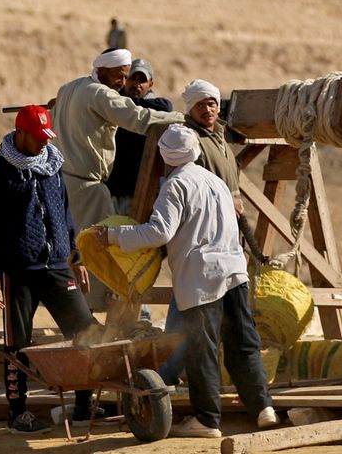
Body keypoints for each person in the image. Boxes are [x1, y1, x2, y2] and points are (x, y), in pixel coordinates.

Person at [98, 125, 276, 438]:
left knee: (201, 349)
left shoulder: (175, 185)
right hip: (234, 271)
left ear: (165, 157)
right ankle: (263, 408)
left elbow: (159, 232)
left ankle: (207, 421)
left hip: (202, 278)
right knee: (243, 344)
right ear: (195, 151)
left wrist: (113, 235)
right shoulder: (216, 182)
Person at [0, 104, 99, 434]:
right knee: (17, 343)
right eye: (37, 137)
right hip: (18, 270)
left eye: (47, 136)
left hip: (58, 265)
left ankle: (83, 404)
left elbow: (64, 213)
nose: (44, 143)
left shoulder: (52, 165)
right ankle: (18, 413)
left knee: (84, 331)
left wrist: (76, 256)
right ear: (20, 134)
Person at [50, 49, 182, 256]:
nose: (122, 82)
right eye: (119, 75)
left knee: (72, 251)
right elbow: (140, 119)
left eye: (125, 76)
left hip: (63, 184)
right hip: (87, 190)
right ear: (102, 70)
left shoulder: (68, 88)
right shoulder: (100, 94)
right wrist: (184, 119)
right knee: (97, 254)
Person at [157, 79, 245, 387]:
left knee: (203, 310)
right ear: (190, 108)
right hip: (201, 235)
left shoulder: (219, 135)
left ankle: (172, 373)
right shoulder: (188, 140)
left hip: (224, 233)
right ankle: (164, 376)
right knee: (189, 311)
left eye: (212, 103)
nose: (208, 109)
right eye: (201, 105)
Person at [107, 60, 174, 217]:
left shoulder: (155, 107)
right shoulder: (114, 102)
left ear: (150, 84)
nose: (136, 84)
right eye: (132, 79)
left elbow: (166, 107)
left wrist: (128, 104)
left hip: (140, 191)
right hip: (111, 190)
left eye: (142, 80)